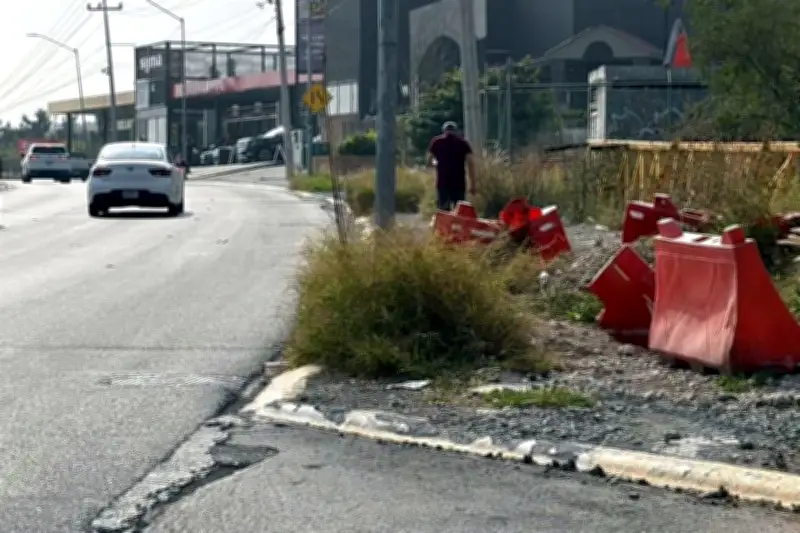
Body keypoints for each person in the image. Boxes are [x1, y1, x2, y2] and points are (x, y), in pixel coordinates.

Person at [427, 121, 477, 211]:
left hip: (443, 182)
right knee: (459, 212)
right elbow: (470, 163)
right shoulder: (463, 143)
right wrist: (472, 184)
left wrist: (437, 163)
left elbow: (430, 161)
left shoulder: (437, 142)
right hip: (459, 182)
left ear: (444, 131)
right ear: (456, 131)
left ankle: (444, 225)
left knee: (444, 211)